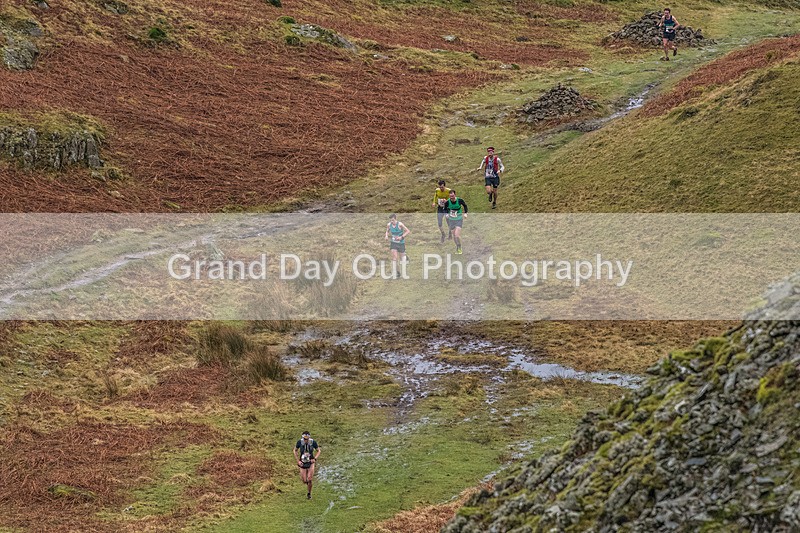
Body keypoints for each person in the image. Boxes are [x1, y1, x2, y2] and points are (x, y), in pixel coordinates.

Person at [294, 431, 321, 499]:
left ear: (309, 438)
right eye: (304, 439)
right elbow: (295, 450)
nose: (306, 440)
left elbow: (319, 451)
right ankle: (308, 485)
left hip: (311, 462)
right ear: (302, 438)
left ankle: (309, 493)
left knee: (309, 478)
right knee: (304, 480)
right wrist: (298, 461)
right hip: (302, 462)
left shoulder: (313, 442)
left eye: (307, 439)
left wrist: (315, 459)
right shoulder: (299, 442)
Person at [385, 213, 411, 278]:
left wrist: (401, 237)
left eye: (393, 220)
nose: (392, 222)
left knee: (402, 260)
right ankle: (398, 273)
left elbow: (408, 231)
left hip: (401, 243)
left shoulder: (400, 224)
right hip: (393, 243)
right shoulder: (389, 225)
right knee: (395, 258)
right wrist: (386, 236)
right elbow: (387, 231)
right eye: (391, 220)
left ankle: (405, 256)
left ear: (395, 219)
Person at [444, 189, 468, 254]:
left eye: (453, 196)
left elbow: (465, 206)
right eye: (450, 197)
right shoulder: (447, 202)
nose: (452, 198)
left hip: (459, 219)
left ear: (455, 195)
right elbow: (445, 209)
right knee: (454, 235)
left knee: (457, 235)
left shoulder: (460, 200)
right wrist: (446, 214)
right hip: (451, 220)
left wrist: (465, 213)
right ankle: (458, 246)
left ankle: (460, 247)